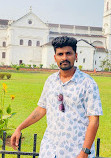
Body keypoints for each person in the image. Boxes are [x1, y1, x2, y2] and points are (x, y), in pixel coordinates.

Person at [11, 36, 103, 158]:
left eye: (68, 53)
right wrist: (19, 128)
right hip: (50, 150)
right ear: (55, 58)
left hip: (75, 151)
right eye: (60, 54)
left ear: (76, 56)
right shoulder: (51, 81)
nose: (64, 58)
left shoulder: (87, 83)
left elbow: (94, 120)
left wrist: (84, 152)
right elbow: (41, 109)